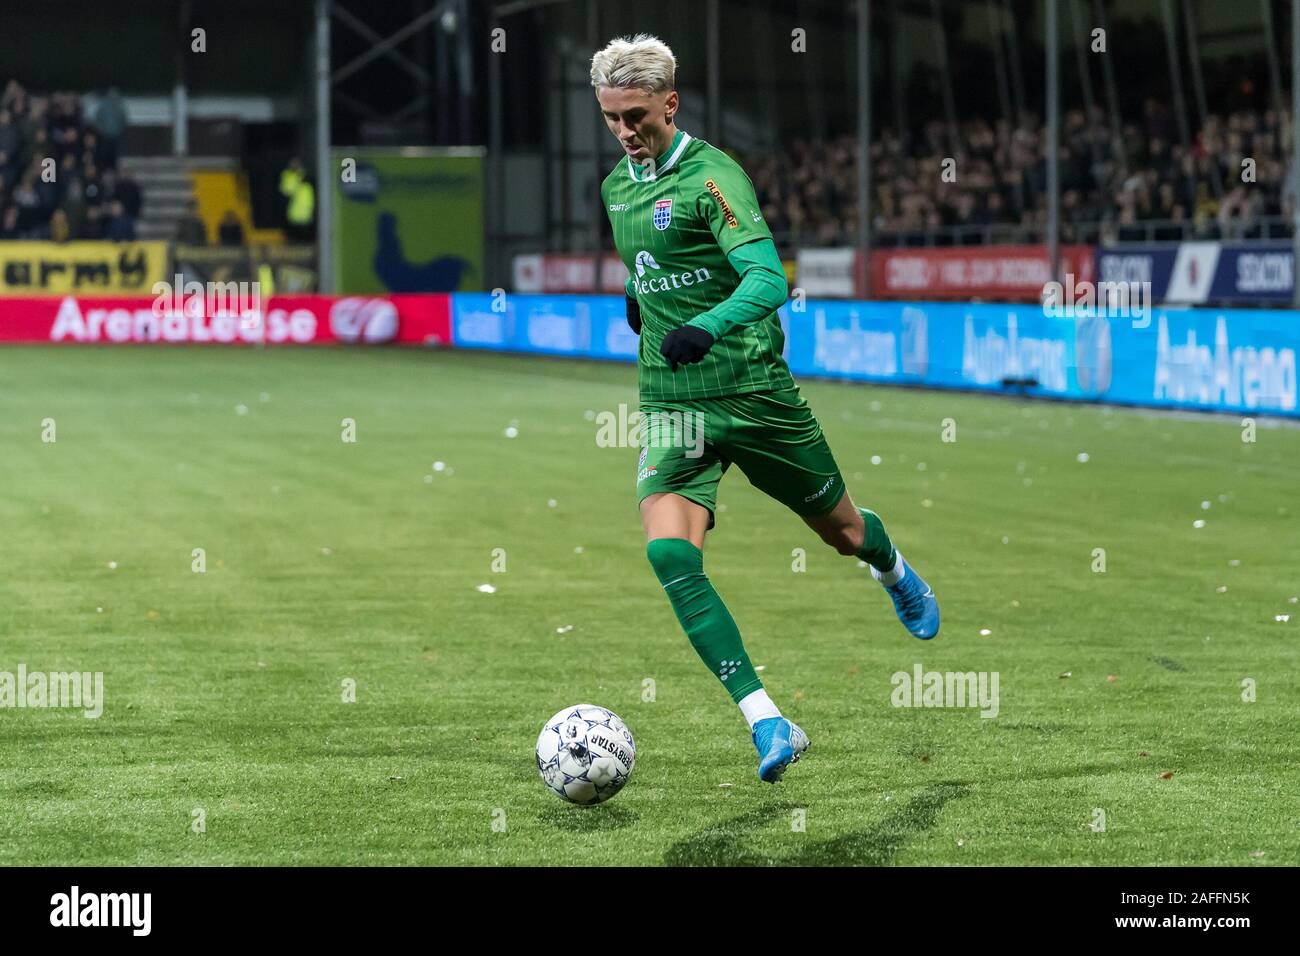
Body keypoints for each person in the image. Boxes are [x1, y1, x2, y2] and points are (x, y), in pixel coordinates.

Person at [592, 34, 940, 785]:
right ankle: (767, 719)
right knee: (668, 553)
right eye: (612, 117)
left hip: (753, 393)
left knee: (843, 532)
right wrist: (640, 308)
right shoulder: (617, 188)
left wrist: (704, 326)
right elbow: (648, 270)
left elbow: (765, 279)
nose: (625, 131)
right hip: (671, 402)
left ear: (670, 104)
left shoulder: (714, 178)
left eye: (637, 115)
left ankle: (891, 565)